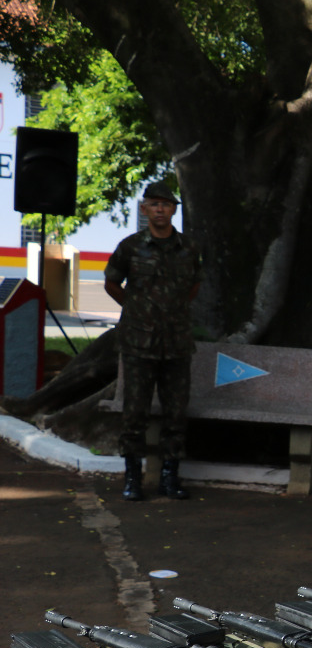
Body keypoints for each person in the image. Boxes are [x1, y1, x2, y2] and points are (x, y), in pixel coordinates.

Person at [103, 182, 201, 502]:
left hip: (177, 343)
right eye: (154, 204)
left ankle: (169, 478)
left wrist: (172, 313)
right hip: (138, 344)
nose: (160, 209)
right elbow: (112, 282)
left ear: (174, 210)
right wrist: (135, 309)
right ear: (144, 209)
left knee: (175, 413)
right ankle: (133, 477)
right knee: (135, 414)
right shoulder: (130, 246)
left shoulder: (188, 248)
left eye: (166, 204)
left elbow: (194, 287)